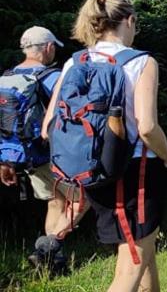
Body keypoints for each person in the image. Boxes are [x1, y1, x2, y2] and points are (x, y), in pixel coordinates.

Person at [43, 0, 167, 291]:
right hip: (136, 173)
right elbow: (147, 126)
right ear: (129, 21)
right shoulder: (142, 62)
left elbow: (48, 125)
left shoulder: (74, 62)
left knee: (144, 251)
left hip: (93, 173)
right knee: (129, 271)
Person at [0, 27, 83, 273]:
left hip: (24, 156)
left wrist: (5, 161)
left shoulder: (7, 76)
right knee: (83, 198)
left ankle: (53, 265)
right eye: (53, 47)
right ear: (47, 48)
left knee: (54, 202)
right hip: (53, 153)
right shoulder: (50, 77)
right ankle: (46, 249)